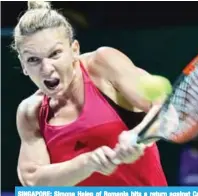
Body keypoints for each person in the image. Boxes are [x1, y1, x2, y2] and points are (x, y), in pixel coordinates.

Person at [14, 1, 170, 186]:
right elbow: (32, 179)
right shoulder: (31, 111)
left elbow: (167, 111)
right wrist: (86, 164)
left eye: (55, 53)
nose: (46, 69)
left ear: (74, 50)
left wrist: (139, 136)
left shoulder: (103, 64)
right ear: (23, 65)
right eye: (33, 60)